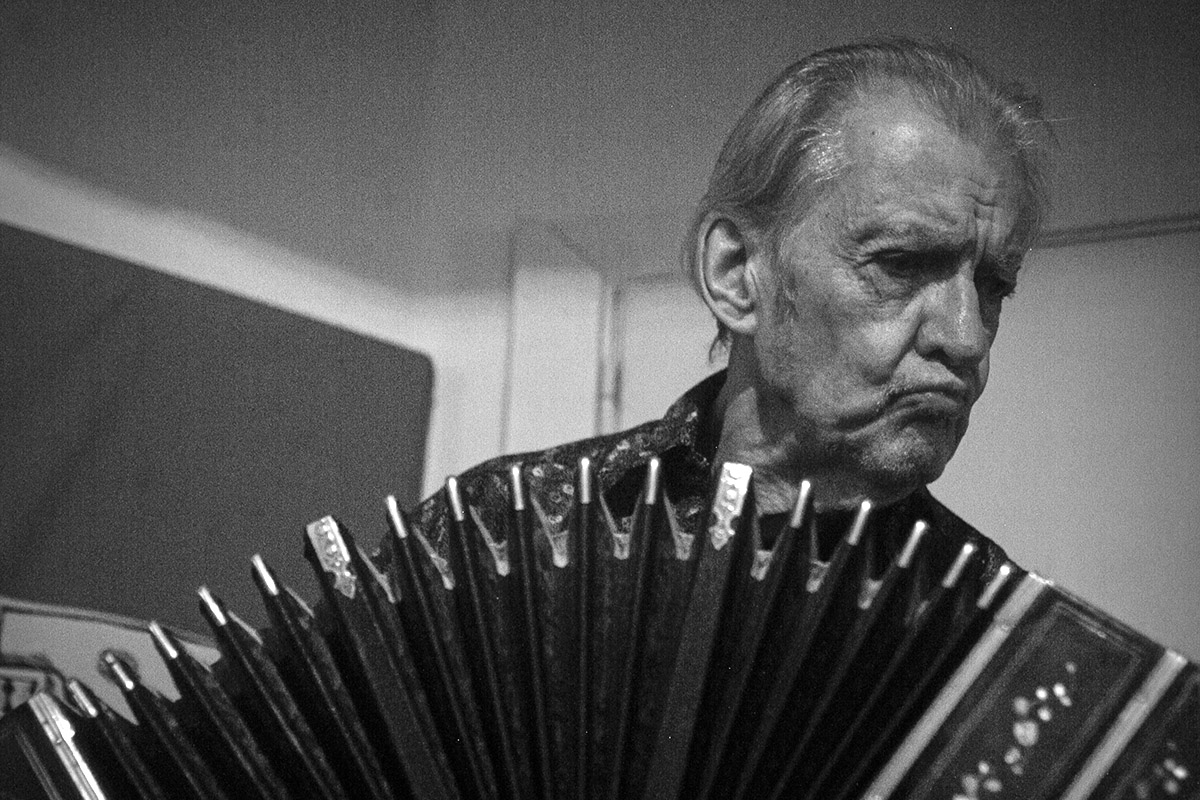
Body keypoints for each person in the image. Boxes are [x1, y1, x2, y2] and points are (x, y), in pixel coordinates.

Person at [399, 37, 1050, 584]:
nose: (967, 337)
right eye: (900, 264)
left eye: (993, 286)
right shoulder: (501, 532)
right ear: (735, 275)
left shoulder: (994, 627)